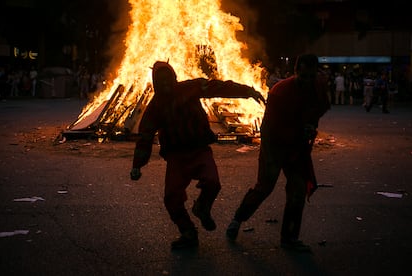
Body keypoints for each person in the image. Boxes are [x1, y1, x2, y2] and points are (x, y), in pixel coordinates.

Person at [129, 60, 265, 250]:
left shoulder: (190, 88)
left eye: (168, 79)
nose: (166, 84)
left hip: (199, 149)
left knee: (213, 182)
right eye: (161, 81)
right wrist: (137, 164)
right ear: (155, 83)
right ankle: (188, 232)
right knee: (171, 197)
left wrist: (247, 91)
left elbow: (218, 87)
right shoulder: (155, 106)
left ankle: (202, 207)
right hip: (176, 156)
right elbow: (145, 136)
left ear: (174, 77)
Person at [225, 54, 330, 252]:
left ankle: (289, 238)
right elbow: (266, 128)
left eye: (310, 76)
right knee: (264, 187)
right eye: (303, 76)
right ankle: (238, 219)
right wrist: (270, 157)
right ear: (296, 72)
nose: (307, 81)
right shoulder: (280, 91)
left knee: (298, 190)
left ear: (316, 73)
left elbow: (321, 108)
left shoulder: (318, 87)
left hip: (297, 147)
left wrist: (310, 125)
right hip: (275, 145)